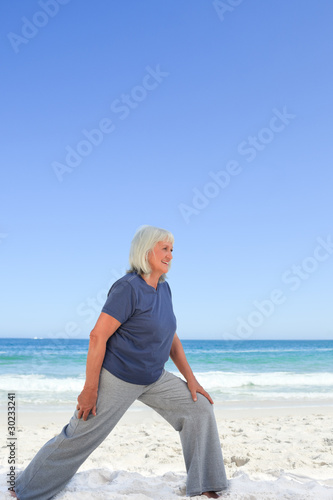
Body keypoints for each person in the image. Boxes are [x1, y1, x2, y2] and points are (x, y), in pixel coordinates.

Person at [13, 225, 228, 499]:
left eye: (172, 250)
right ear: (145, 251)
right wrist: (90, 389)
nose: (170, 255)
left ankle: (206, 484)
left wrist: (192, 380)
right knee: (79, 435)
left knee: (199, 409)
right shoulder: (128, 288)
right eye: (164, 249)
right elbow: (97, 336)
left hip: (154, 377)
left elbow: (171, 337)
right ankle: (24, 489)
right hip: (118, 377)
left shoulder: (164, 289)